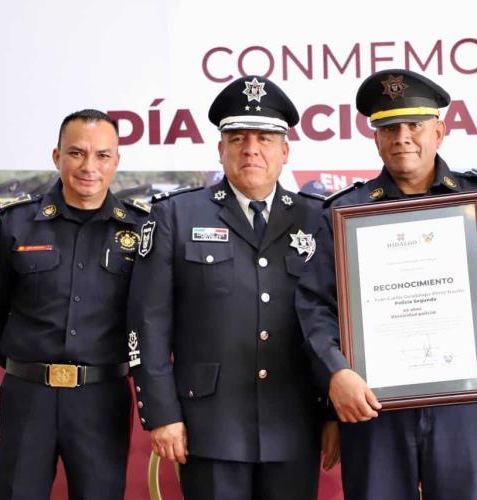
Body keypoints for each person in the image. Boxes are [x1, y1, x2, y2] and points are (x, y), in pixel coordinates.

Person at [296, 69, 477, 500]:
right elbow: (314, 306)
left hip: (465, 403)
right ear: (377, 138)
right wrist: (336, 373)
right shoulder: (345, 211)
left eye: (414, 126)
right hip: (373, 406)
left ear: (439, 132)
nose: (402, 136)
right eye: (389, 127)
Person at [127, 75, 338, 500]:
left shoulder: (319, 219)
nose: (251, 149)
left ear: (285, 150)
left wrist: (332, 412)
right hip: (210, 423)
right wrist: (162, 413)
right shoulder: (177, 216)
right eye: (237, 138)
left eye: (264, 138)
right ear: (221, 149)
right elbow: (147, 322)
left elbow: (336, 319)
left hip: (293, 421)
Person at [0, 109, 149, 499]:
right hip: (28, 394)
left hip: (101, 397)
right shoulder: (17, 223)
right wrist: (27, 364)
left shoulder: (139, 230)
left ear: (117, 161)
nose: (90, 166)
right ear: (57, 156)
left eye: (103, 155)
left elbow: (150, 316)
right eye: (76, 153)